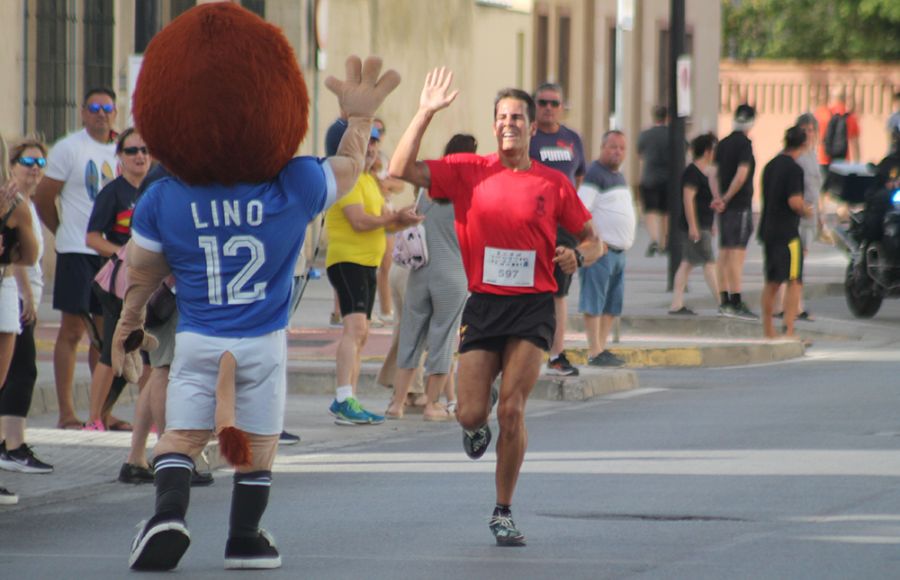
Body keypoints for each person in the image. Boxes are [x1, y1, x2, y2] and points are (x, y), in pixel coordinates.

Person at [113, 5, 401, 569]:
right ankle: (245, 537)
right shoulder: (292, 185)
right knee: (260, 446)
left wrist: (129, 326)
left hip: (197, 338)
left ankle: (168, 514)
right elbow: (348, 169)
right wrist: (359, 121)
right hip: (264, 342)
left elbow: (139, 275)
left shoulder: (164, 198)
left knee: (181, 437)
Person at [389, 68, 602, 546]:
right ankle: (473, 425)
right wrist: (424, 112)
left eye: (519, 117)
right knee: (468, 414)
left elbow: (595, 241)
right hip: (484, 304)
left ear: (531, 128)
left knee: (512, 409)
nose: (511, 124)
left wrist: (578, 256)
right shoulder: (468, 170)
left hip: (533, 307)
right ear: (494, 126)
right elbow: (400, 169)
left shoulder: (553, 183)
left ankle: (503, 510)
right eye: (503, 117)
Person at [33, 87, 119, 430]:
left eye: (107, 108)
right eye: (94, 108)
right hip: (76, 251)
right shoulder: (70, 147)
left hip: (110, 253)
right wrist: (63, 231)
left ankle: (102, 413)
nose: (101, 114)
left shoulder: (122, 148)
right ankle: (67, 412)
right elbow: (44, 197)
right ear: (83, 112)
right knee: (71, 331)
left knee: (105, 334)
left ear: (115, 112)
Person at [325, 125, 421, 425]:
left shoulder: (368, 180)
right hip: (348, 260)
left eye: (375, 144)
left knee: (362, 333)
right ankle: (343, 398)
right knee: (354, 330)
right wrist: (392, 217)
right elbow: (359, 221)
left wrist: (402, 219)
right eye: (366, 143)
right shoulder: (348, 180)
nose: (371, 149)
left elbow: (383, 224)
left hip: (366, 262)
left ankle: (348, 397)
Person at [384, 133, 475, 421]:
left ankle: (396, 404)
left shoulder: (426, 189)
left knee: (410, 336)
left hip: (420, 271)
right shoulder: (469, 191)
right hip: (452, 274)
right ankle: (432, 405)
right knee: (444, 338)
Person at [82, 128, 152, 431]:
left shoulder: (157, 189)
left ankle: (148, 419)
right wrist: (122, 254)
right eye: (132, 151)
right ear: (120, 157)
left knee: (151, 353)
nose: (140, 156)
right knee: (113, 350)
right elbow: (92, 238)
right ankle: (94, 419)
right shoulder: (112, 193)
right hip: (119, 286)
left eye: (145, 150)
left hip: (153, 284)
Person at [528, 82, 586, 377]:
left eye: (554, 103)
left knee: (559, 292)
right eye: (542, 103)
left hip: (563, 226)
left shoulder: (572, 139)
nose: (548, 108)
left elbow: (579, 176)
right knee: (526, 286)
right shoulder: (529, 137)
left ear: (562, 107)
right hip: (530, 223)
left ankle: (556, 354)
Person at [0, 138, 50, 474]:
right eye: (27, 162)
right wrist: (28, 296)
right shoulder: (14, 202)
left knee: (14, 372)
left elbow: (27, 255)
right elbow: (23, 260)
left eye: (40, 163)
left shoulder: (20, 204)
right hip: (14, 292)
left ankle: (12, 445)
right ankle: (12, 445)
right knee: (21, 370)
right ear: (13, 163)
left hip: (9, 289)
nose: (34, 169)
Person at [577, 130, 635, 367]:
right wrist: (593, 236)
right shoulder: (594, 175)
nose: (617, 152)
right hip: (601, 252)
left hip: (619, 253)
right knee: (595, 301)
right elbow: (580, 209)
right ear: (602, 148)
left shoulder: (618, 177)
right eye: (612, 147)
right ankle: (594, 350)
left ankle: (601, 347)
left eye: (621, 148)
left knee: (612, 304)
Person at [759, 126, 813, 339]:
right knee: (794, 281)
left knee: (772, 281)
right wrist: (806, 210)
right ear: (804, 144)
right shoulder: (794, 169)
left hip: (768, 229)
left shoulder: (770, 165)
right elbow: (795, 202)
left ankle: (768, 329)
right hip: (788, 234)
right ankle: (789, 329)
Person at [775, 114, 822, 321]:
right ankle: (792, 306)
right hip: (798, 216)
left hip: (810, 217)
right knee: (794, 262)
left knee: (799, 261)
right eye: (805, 129)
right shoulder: (794, 159)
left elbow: (816, 189)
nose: (809, 133)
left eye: (812, 130)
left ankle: (790, 305)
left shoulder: (812, 154)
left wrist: (820, 217)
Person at [669, 134, 721, 316]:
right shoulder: (692, 173)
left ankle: (676, 303)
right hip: (697, 227)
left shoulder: (703, 172)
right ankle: (722, 303)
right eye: (714, 149)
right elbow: (688, 200)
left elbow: (704, 202)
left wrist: (711, 223)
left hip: (703, 225)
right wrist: (693, 226)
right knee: (709, 263)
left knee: (687, 263)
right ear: (707, 151)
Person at [715, 104, 758, 320]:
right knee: (736, 254)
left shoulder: (722, 144)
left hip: (723, 207)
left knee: (724, 252)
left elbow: (712, 173)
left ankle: (723, 299)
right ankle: (736, 299)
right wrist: (727, 197)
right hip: (738, 205)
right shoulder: (745, 145)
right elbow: (741, 176)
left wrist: (718, 198)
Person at [637, 105, 671, 256]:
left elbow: (640, 152)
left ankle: (654, 239)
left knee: (650, 210)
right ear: (667, 117)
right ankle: (665, 242)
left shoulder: (646, 134)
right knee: (666, 212)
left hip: (650, 176)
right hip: (669, 178)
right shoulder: (673, 134)